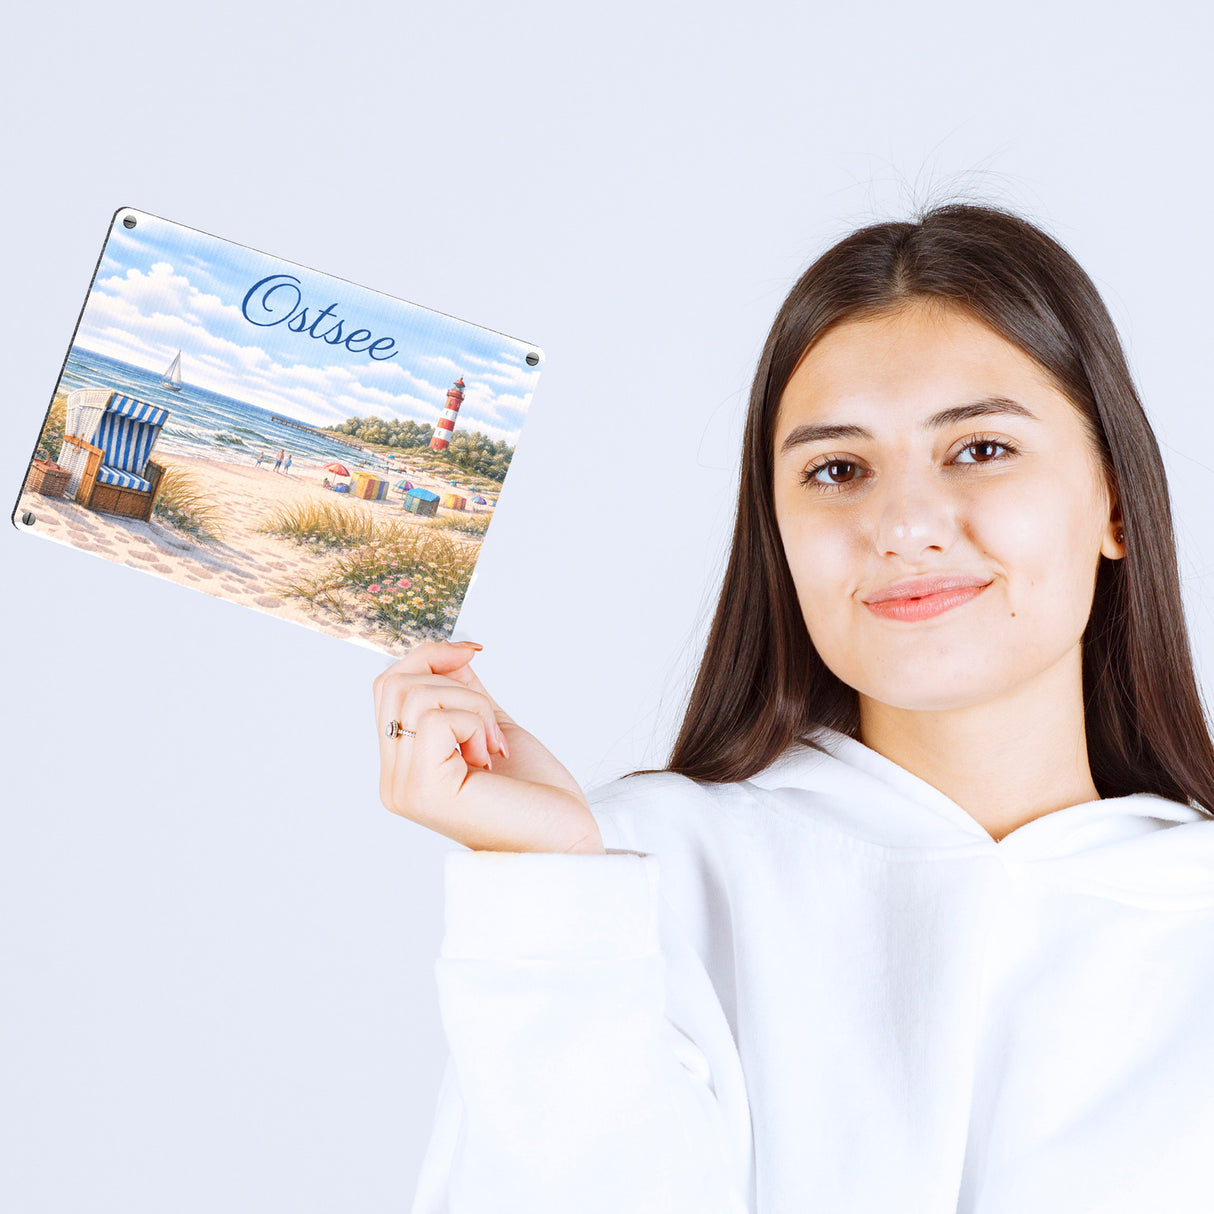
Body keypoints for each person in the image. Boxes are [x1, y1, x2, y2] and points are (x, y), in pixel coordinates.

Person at [373, 203, 1214, 1213]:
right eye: (835, 470)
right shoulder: (628, 876)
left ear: (1113, 499)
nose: (901, 522)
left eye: (980, 448)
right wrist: (549, 893)